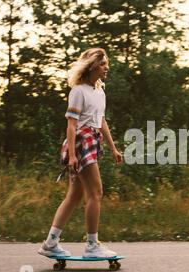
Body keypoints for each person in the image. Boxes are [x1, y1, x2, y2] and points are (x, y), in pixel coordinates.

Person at [38, 48, 123, 258]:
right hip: (81, 142)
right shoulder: (78, 91)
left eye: (107, 64)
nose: (107, 68)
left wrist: (113, 148)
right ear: (92, 65)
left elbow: (101, 122)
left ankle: (50, 243)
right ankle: (92, 245)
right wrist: (73, 155)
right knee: (96, 192)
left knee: (75, 195)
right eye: (103, 64)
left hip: (93, 140)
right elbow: (71, 124)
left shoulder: (99, 91)